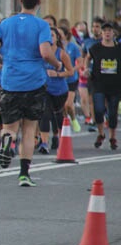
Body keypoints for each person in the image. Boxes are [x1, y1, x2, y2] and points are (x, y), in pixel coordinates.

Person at [0, 0, 63, 186]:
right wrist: (57, 63)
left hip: (10, 80)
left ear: (20, 1)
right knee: (30, 129)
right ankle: (23, 174)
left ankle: (7, 140)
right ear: (39, 3)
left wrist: (7, 62)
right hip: (34, 82)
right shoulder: (41, 25)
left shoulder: (5, 24)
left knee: (9, 126)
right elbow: (46, 53)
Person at [37, 26, 74, 154]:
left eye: (52, 35)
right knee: (45, 114)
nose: (49, 38)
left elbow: (71, 72)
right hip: (44, 89)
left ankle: (57, 136)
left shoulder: (61, 53)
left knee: (58, 116)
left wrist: (58, 74)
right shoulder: (40, 52)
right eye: (48, 35)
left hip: (59, 90)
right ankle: (44, 143)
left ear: (57, 38)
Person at [86, 21, 121, 150]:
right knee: (99, 109)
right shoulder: (96, 48)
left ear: (114, 33)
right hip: (98, 83)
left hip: (115, 85)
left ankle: (112, 137)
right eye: (105, 30)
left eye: (109, 31)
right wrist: (86, 68)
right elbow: (88, 57)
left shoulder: (118, 48)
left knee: (112, 113)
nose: (107, 33)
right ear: (101, 33)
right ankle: (101, 134)